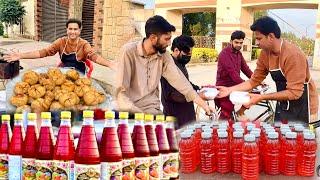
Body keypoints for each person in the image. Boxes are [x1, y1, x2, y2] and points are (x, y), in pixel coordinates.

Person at [217, 16, 319, 126]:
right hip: (283, 102)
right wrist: (229, 90)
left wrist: (261, 97)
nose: (256, 43)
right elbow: (253, 81)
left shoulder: (293, 55)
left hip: (302, 105)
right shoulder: (265, 54)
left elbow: (295, 92)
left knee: (297, 139)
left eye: (259, 38)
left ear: (270, 36)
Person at [116, 15, 214, 116]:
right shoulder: (128, 52)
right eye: (166, 39)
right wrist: (139, 117)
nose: (169, 43)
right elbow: (121, 94)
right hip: (131, 113)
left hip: (154, 112)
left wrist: (204, 105)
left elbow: (181, 82)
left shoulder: (163, 55)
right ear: (153, 38)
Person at [4, 18, 114, 75]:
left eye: (75, 29)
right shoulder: (61, 42)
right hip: (62, 73)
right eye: (70, 29)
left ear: (80, 30)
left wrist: (110, 64)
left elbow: (93, 56)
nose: (72, 32)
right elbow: (44, 52)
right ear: (67, 30)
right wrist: (20, 55)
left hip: (79, 76)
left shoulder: (84, 44)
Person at [160, 35, 200, 129]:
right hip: (175, 117)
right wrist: (196, 96)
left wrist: (198, 88)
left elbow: (184, 83)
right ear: (176, 50)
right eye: (186, 53)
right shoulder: (169, 66)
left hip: (186, 115)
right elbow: (172, 95)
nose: (189, 56)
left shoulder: (180, 63)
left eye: (191, 53)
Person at [214, 30, 253, 120]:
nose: (239, 45)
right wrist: (246, 84)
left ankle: (239, 112)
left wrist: (256, 80)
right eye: (236, 42)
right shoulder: (224, 54)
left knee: (254, 97)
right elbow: (233, 74)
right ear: (231, 41)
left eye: (241, 43)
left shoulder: (239, 54)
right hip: (223, 87)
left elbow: (246, 69)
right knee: (226, 114)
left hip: (235, 85)